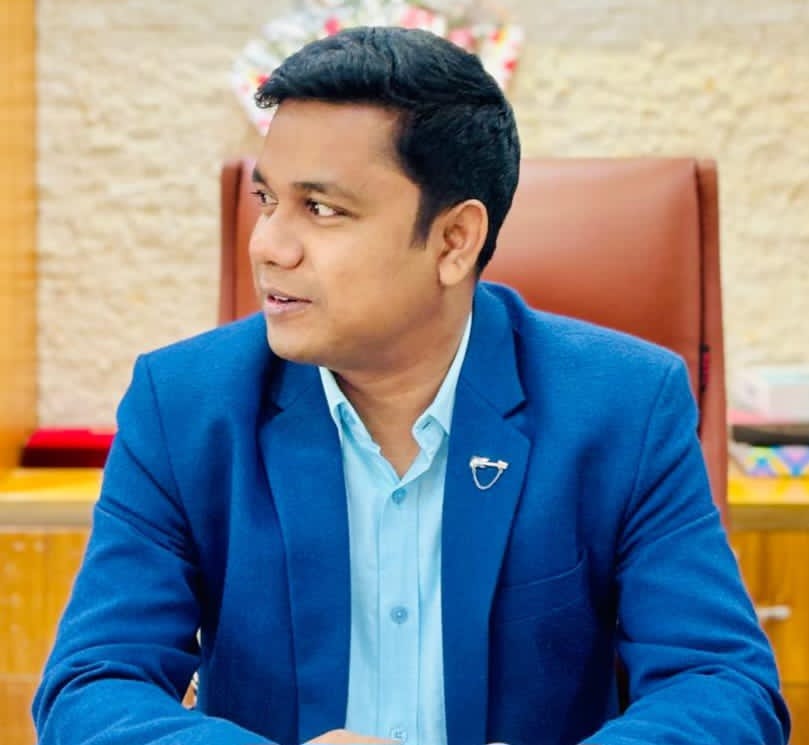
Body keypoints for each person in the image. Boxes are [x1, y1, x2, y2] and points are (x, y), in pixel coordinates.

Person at [34, 25, 788, 745]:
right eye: (267, 200)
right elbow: (92, 686)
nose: (268, 245)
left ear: (454, 240)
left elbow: (722, 683)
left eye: (321, 209)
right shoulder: (183, 405)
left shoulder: (622, 406)